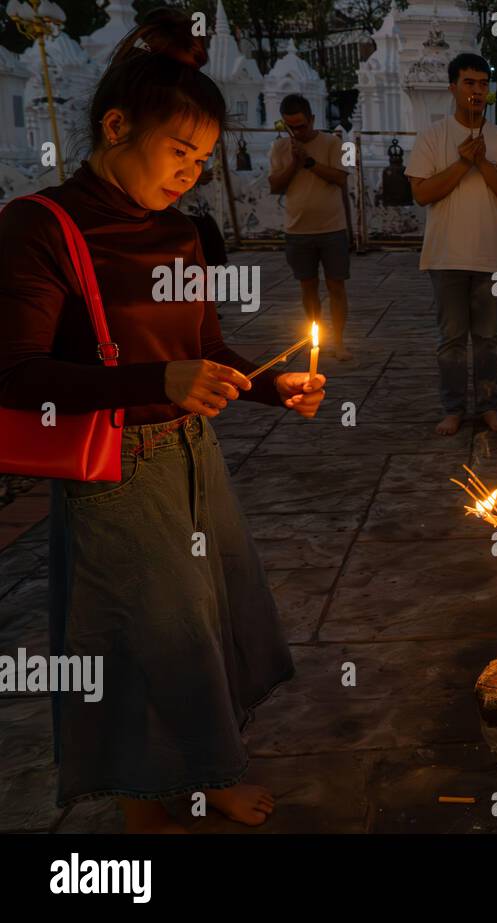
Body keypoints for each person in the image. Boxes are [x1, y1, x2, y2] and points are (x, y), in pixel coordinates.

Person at [0, 10, 324, 832]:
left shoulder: (183, 233)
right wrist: (156, 378)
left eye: (203, 161)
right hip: (116, 475)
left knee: (206, 622)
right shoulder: (40, 228)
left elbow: (204, 347)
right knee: (148, 647)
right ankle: (153, 820)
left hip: (193, 456)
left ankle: (210, 768)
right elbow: (17, 373)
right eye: (179, 153)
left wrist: (266, 385)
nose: (190, 174)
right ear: (115, 126)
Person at [407, 52, 497, 436]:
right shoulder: (433, 137)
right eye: (469, 83)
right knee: (451, 340)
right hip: (445, 256)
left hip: (491, 258)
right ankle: (454, 407)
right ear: (453, 88)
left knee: (490, 340)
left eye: (482, 84)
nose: (477, 91)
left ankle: (489, 406)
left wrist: (483, 164)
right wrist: (462, 164)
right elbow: (422, 193)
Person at [268, 93, 353, 360]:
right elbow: (274, 186)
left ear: (312, 119)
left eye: (301, 125)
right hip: (297, 230)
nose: (297, 131)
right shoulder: (280, 148)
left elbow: (340, 177)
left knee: (336, 286)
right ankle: (316, 338)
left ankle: (338, 341)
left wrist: (310, 162)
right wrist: (294, 163)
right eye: (290, 126)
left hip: (332, 228)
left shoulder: (332, 143)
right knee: (308, 288)